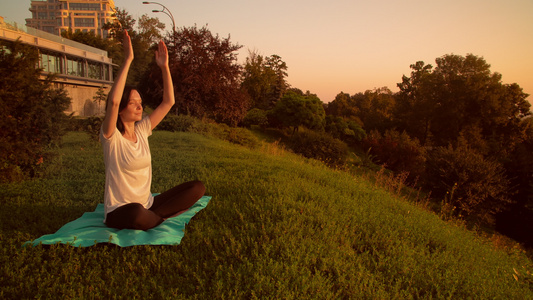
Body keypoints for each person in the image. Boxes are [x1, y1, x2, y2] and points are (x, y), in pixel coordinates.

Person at [100, 30, 205, 230]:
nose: (140, 107)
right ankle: (156, 218)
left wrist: (164, 67)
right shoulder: (111, 137)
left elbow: (168, 102)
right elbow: (113, 101)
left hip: (147, 203)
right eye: (133, 103)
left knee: (197, 187)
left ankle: (155, 217)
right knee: (137, 213)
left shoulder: (142, 130)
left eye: (140, 102)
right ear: (121, 110)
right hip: (121, 211)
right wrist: (128, 59)